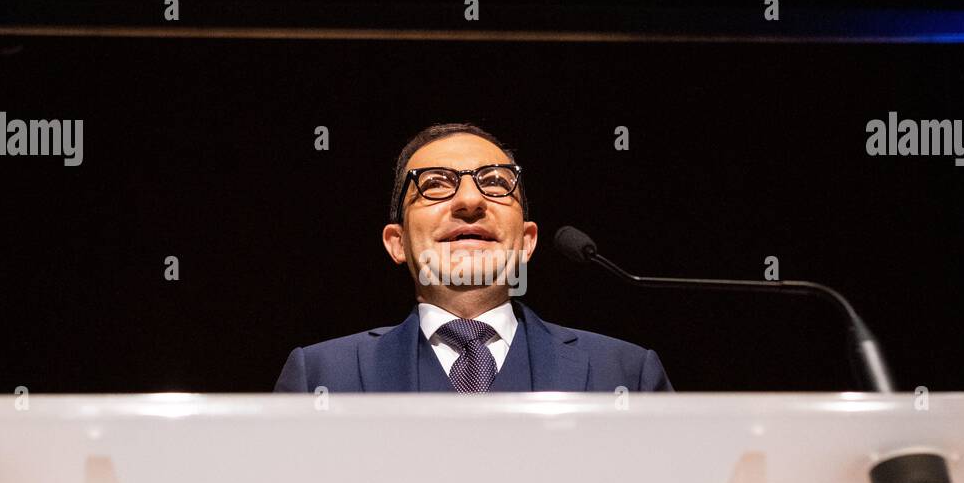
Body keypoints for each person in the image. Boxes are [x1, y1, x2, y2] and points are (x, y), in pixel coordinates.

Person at [274, 122, 672, 393]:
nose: (469, 200)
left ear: (527, 241)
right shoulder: (321, 377)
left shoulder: (624, 374)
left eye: (496, 183)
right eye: (434, 185)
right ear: (397, 242)